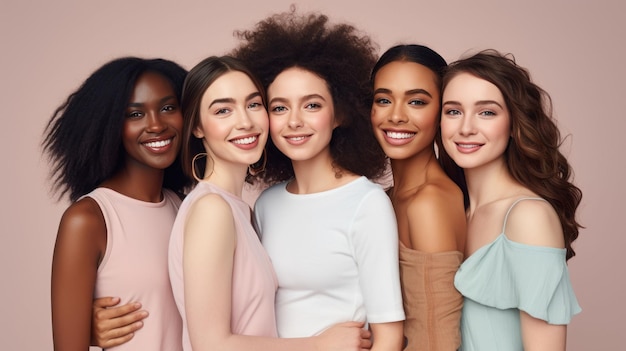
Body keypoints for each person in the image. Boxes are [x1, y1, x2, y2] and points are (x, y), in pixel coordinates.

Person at [170, 55, 373, 351]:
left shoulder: (239, 209)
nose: (245, 121)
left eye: (253, 104)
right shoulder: (211, 210)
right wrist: (318, 345)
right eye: (223, 110)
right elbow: (210, 344)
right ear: (197, 127)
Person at [232, 8, 405, 351]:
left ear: (340, 113)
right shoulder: (267, 204)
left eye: (311, 105)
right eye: (279, 108)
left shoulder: (366, 203)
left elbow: (389, 336)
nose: (294, 121)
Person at [43, 57, 190, 350]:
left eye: (168, 108)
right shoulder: (89, 220)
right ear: (110, 125)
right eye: (135, 114)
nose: (156, 124)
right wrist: (83, 330)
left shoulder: (187, 209)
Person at [439, 50, 582, 351]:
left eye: (486, 112)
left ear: (514, 124)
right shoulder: (452, 210)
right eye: (453, 111)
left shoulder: (528, 216)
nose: (466, 127)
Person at [370, 44, 467, 351]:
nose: (396, 116)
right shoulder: (385, 197)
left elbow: (438, 339)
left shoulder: (430, 202)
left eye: (416, 101)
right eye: (384, 100)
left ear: (442, 111)